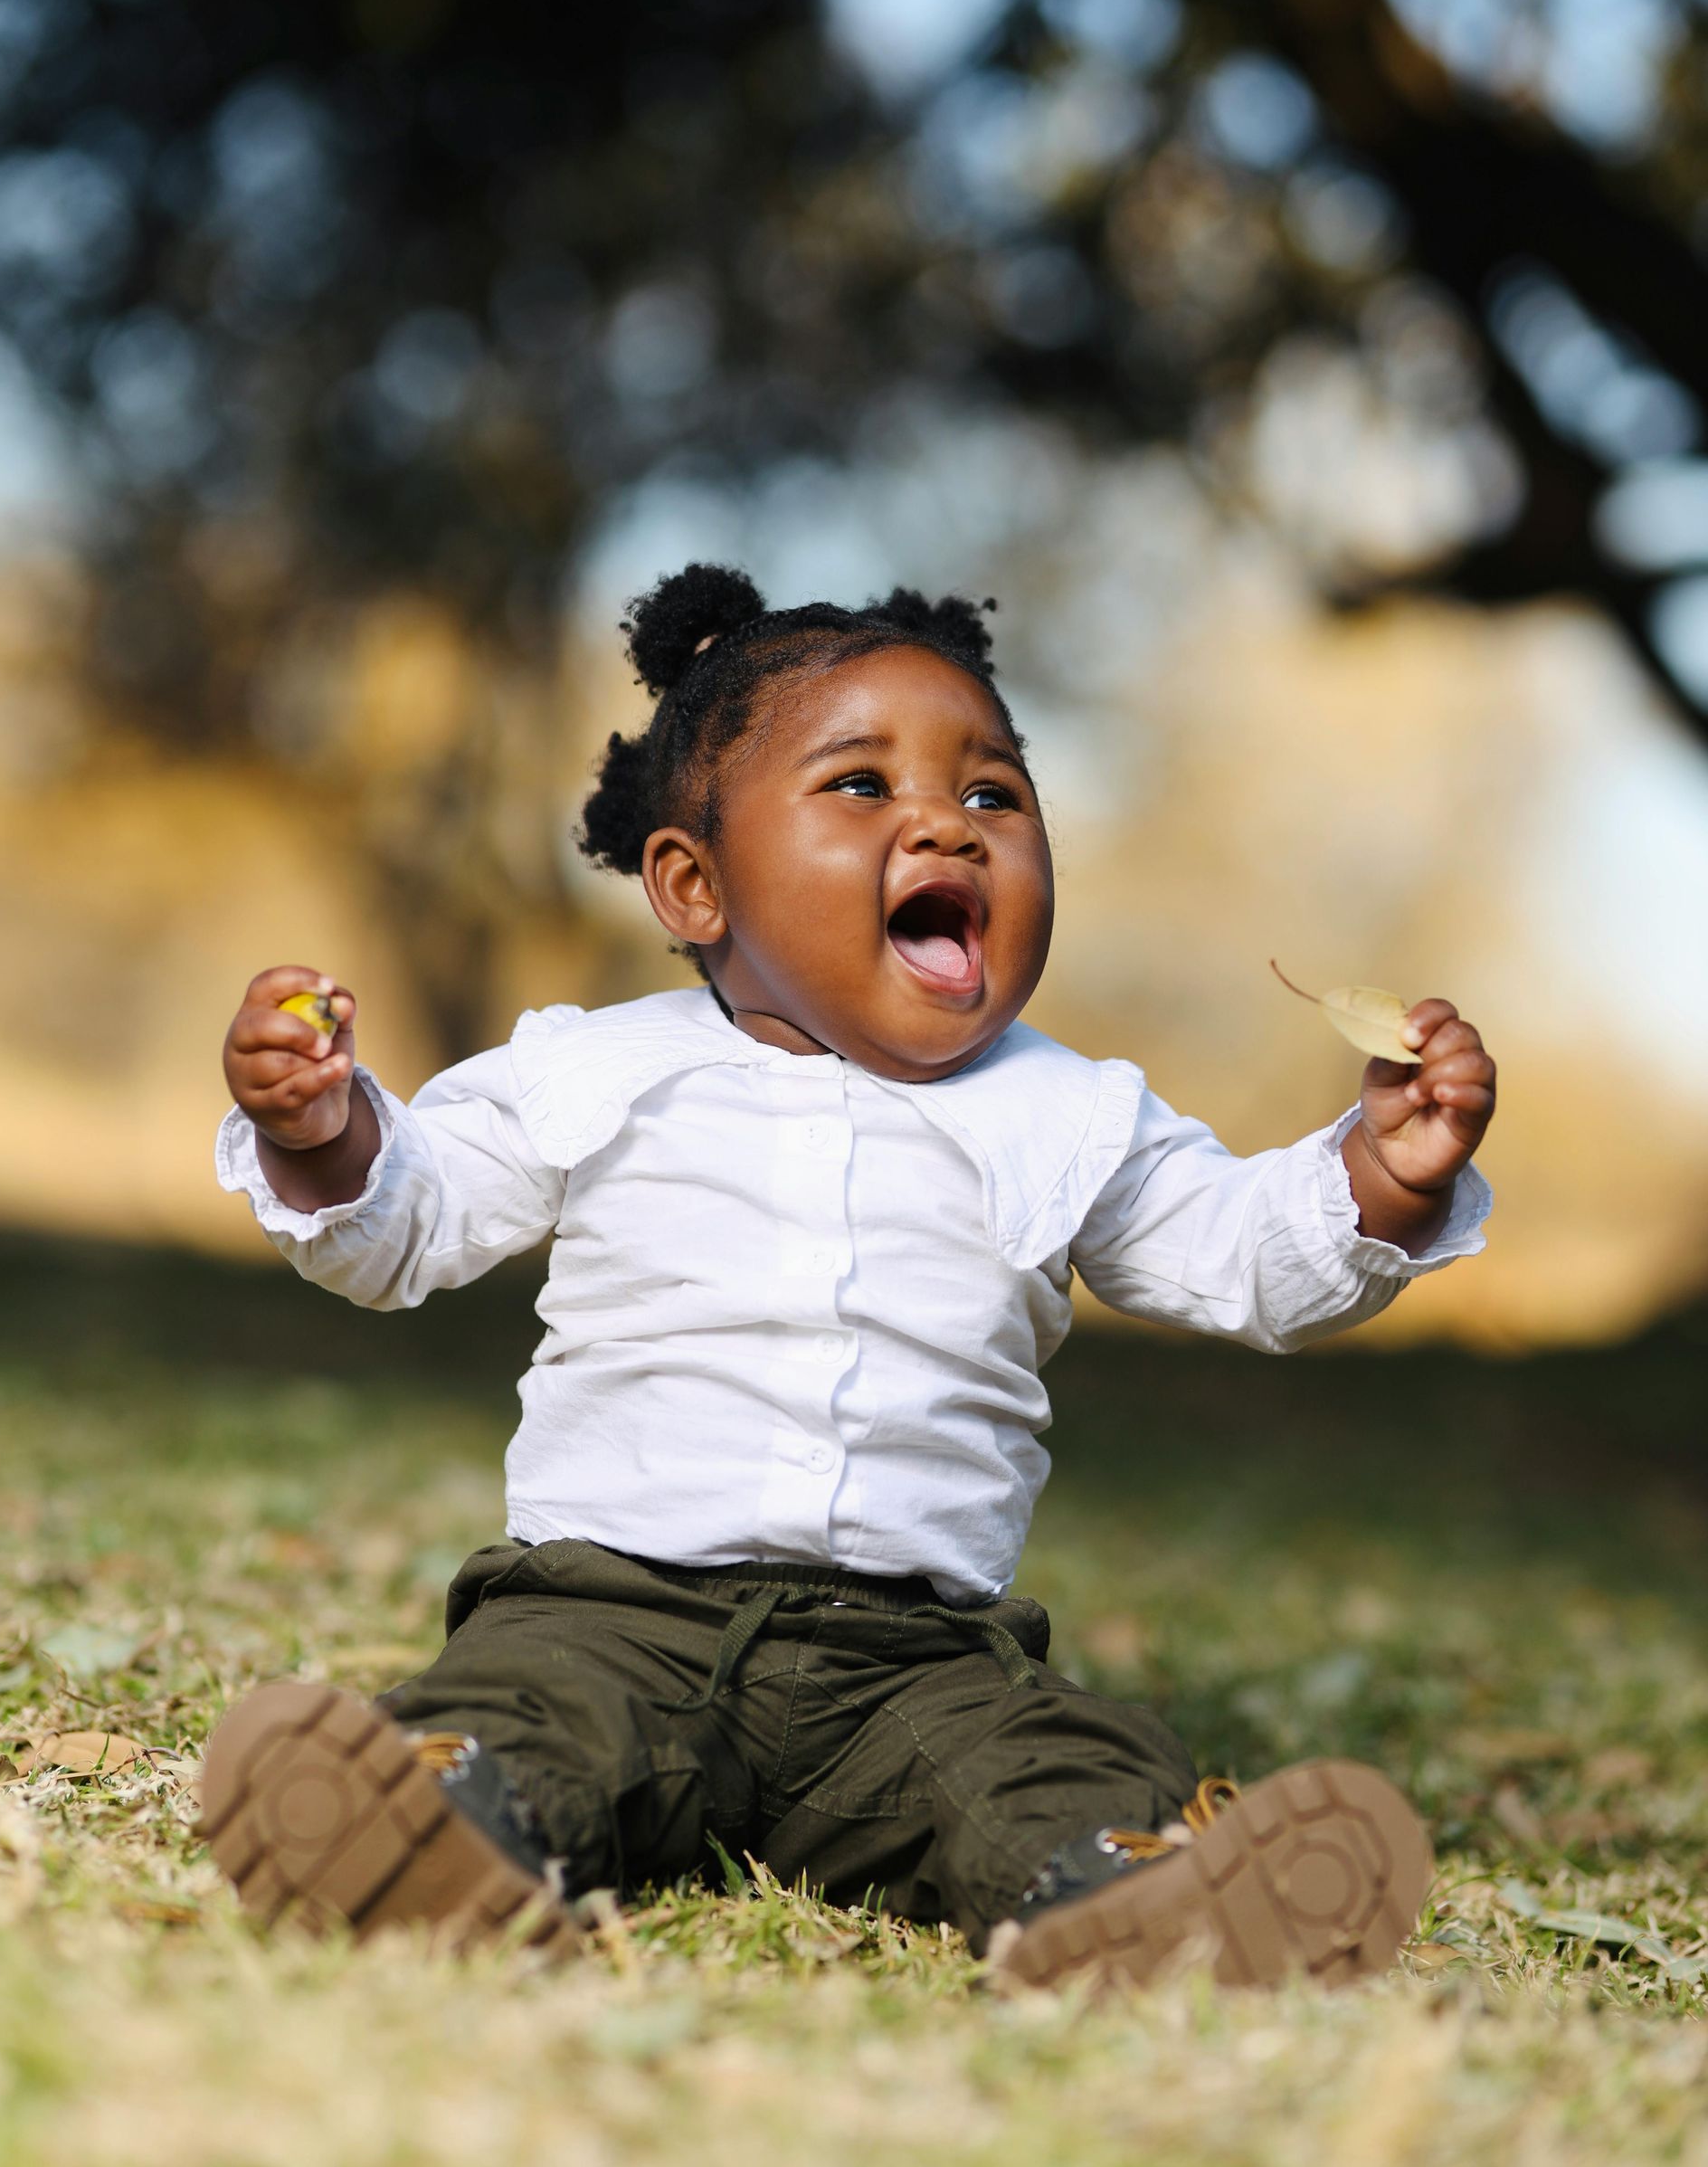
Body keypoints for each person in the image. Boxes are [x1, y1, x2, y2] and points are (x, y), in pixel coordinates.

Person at [203, 567, 1495, 1991]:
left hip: (918, 1666)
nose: (948, 821)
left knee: (1050, 1763)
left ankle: (1135, 1905)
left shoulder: (1069, 1112)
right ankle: (430, 1830)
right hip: (608, 1612)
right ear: (695, 884)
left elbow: (1240, 1258)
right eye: (862, 787)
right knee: (528, 1719)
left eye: (995, 796)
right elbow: (407, 1222)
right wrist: (325, 1131)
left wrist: (1387, 1172)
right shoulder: (596, 1068)